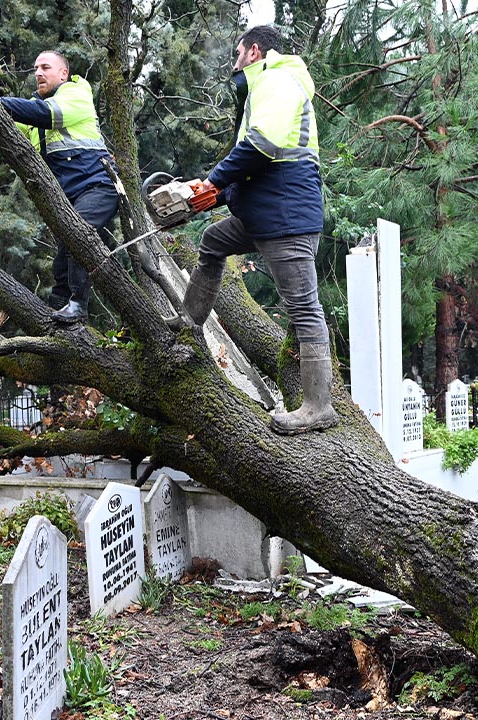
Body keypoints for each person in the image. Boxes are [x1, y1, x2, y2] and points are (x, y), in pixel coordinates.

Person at [175, 25, 336, 435]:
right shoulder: (267, 86)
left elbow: (262, 146)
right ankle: (189, 322)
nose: (234, 62)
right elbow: (256, 167)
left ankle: (319, 406)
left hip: (285, 219)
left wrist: (213, 181)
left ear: (253, 51)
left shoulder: (277, 79)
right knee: (213, 241)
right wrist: (215, 194)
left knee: (303, 307)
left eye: (237, 53)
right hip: (265, 213)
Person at [0, 51, 119, 323]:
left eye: (45, 67)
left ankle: (78, 305)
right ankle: (60, 306)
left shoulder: (76, 94)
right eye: (35, 68)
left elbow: (44, 114)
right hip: (69, 194)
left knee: (79, 233)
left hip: (97, 185)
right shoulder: (35, 108)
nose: (38, 73)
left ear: (64, 73)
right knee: (64, 255)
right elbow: (6, 123)